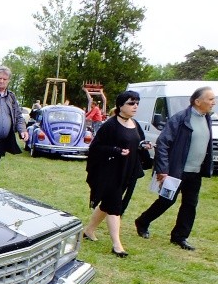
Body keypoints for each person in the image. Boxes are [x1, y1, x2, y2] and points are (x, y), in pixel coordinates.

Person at [134, 86, 215, 251]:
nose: (214, 102)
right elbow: (163, 144)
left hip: (195, 172)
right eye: (211, 99)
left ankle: (180, 236)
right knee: (166, 201)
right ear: (197, 101)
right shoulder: (180, 119)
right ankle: (142, 221)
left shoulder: (206, 118)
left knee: (190, 204)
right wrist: (163, 170)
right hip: (177, 170)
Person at [82, 91, 150, 257]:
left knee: (107, 204)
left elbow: (138, 141)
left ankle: (89, 230)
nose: (135, 106)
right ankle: (117, 245)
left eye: (137, 103)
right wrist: (116, 150)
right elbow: (95, 148)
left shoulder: (135, 124)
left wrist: (143, 146)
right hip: (111, 171)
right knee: (114, 206)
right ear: (121, 106)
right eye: (131, 103)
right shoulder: (110, 125)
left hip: (129, 170)